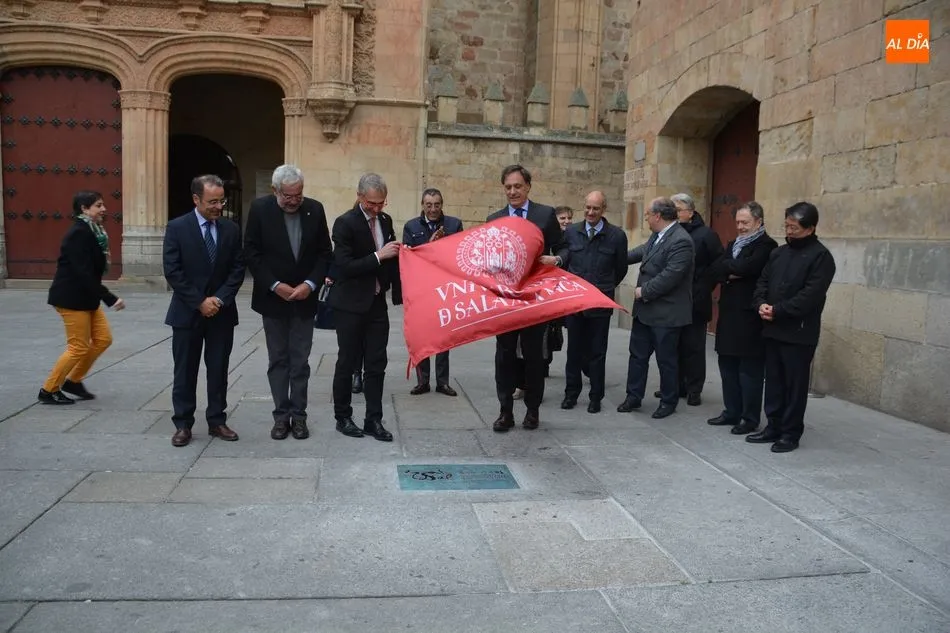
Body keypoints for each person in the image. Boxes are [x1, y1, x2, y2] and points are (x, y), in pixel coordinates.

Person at [244, 164, 332, 441]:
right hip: (273, 300)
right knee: (278, 359)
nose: (294, 201)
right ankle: (281, 417)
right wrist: (274, 285)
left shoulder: (315, 209)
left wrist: (310, 284)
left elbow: (324, 253)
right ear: (275, 191)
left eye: (298, 195)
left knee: (300, 361)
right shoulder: (260, 210)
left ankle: (300, 416)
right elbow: (252, 253)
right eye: (288, 196)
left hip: (304, 300)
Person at [163, 174, 246, 447]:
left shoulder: (231, 229)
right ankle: (183, 424)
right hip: (187, 313)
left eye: (222, 201)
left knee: (218, 369)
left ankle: (217, 421)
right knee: (185, 371)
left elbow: (237, 269)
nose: (218, 206)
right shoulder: (177, 227)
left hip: (221, 314)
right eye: (213, 202)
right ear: (196, 199)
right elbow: (173, 270)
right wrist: (200, 301)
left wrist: (218, 300)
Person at [749, 202, 836, 453]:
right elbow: (763, 282)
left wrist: (779, 310)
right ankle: (773, 426)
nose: (788, 231)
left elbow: (810, 296)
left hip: (799, 332)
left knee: (794, 386)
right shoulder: (778, 253)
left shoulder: (821, 257)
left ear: (810, 228)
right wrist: (761, 304)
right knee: (774, 382)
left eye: (794, 227)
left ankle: (790, 433)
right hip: (772, 328)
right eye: (786, 226)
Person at [486, 164, 564, 432]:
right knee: (504, 357)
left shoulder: (545, 214)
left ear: (528, 187)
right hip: (506, 301)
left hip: (534, 299)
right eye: (508, 187)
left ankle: (533, 411)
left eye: (518, 186)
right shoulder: (494, 219)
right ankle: (505, 412)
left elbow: (565, 247)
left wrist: (557, 259)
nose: (513, 191)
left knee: (533, 357)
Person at [328, 173, 402, 442]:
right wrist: (379, 256)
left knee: (376, 364)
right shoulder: (345, 223)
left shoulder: (385, 220)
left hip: (376, 304)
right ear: (360, 196)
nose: (377, 208)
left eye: (381, 203)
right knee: (347, 362)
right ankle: (343, 417)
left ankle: (374, 419)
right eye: (372, 203)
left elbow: (391, 259)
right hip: (350, 304)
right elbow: (345, 266)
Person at [38, 190, 125, 405]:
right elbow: (82, 272)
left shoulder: (94, 230)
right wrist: (110, 298)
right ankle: (49, 390)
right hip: (71, 298)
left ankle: (73, 381)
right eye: (98, 205)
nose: (104, 209)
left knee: (103, 339)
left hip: (86, 297)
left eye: (103, 205)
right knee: (78, 347)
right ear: (84, 209)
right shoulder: (78, 232)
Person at [618, 197, 695, 419]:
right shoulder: (657, 235)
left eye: (648, 215)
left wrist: (644, 291)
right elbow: (643, 251)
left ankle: (668, 401)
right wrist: (616, 257)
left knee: (666, 360)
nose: (646, 219)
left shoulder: (681, 240)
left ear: (658, 216)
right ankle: (633, 396)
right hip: (645, 312)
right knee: (637, 356)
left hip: (666, 314)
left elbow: (671, 275)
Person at [707, 202, 778, 435]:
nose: (740, 227)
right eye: (738, 222)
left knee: (749, 372)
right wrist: (730, 271)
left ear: (758, 221)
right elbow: (716, 269)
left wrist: (731, 270)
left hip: (750, 318)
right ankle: (731, 411)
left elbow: (748, 268)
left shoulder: (767, 246)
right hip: (728, 315)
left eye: (745, 222)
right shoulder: (733, 244)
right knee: (727, 367)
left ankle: (749, 418)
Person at [556, 191, 627, 413]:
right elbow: (565, 261)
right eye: (587, 207)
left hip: (600, 304)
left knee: (597, 352)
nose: (590, 212)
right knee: (574, 351)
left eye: (595, 208)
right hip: (575, 303)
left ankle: (596, 397)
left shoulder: (616, 236)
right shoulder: (572, 232)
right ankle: (571, 394)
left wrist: (604, 287)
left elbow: (620, 269)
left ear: (603, 209)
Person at [660, 193, 723, 406]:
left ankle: (694, 389)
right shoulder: (669, 232)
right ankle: (675, 385)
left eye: (678, 210)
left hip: (696, 300)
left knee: (694, 347)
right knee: (673, 345)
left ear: (691, 212)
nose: (675, 214)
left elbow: (718, 264)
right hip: (673, 301)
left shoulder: (706, 235)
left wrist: (704, 287)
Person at [402, 187, 462, 396]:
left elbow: (458, 254)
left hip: (445, 289)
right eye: (429, 205)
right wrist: (429, 246)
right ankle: (423, 381)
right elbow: (408, 259)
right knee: (422, 336)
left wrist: (442, 246)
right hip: (421, 290)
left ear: (442, 204)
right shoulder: (411, 226)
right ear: (423, 205)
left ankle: (442, 382)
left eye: (437, 205)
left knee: (444, 337)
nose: (433, 209)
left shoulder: (454, 225)